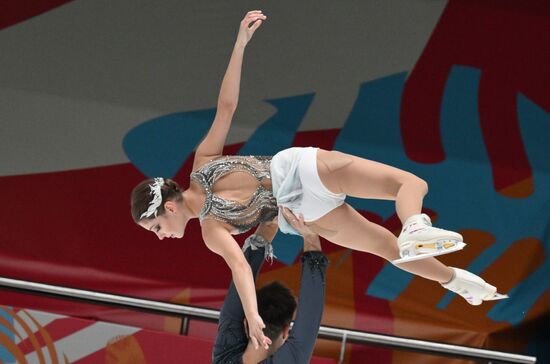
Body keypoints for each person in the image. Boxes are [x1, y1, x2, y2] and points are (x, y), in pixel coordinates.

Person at [131, 10, 506, 350]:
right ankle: (427, 242)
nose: (160, 235)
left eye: (157, 226)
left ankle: (450, 276)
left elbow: (242, 268)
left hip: (301, 192)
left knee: (391, 244)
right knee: (409, 189)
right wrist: (240, 45)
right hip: (299, 188)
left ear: (169, 205)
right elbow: (226, 108)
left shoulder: (211, 224)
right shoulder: (206, 196)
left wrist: (254, 315)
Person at [212, 207, 328, 364]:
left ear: (247, 324)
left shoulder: (226, 356)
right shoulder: (223, 358)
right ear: (285, 332)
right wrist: (277, 212)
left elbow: (309, 319)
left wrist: (310, 236)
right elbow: (237, 293)